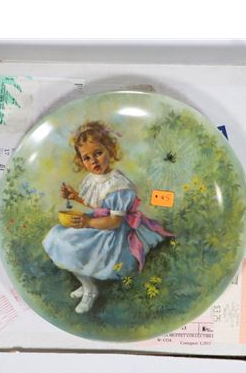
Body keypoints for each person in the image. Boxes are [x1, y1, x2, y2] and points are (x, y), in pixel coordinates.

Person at [43, 121, 173, 313]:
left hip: (112, 231)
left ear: (110, 151)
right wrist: (75, 197)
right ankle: (87, 284)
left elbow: (114, 221)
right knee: (58, 237)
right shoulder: (93, 179)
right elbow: (97, 204)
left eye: (98, 153)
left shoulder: (118, 184)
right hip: (99, 221)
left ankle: (90, 290)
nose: (94, 161)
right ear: (81, 161)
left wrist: (88, 222)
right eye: (87, 158)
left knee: (73, 246)